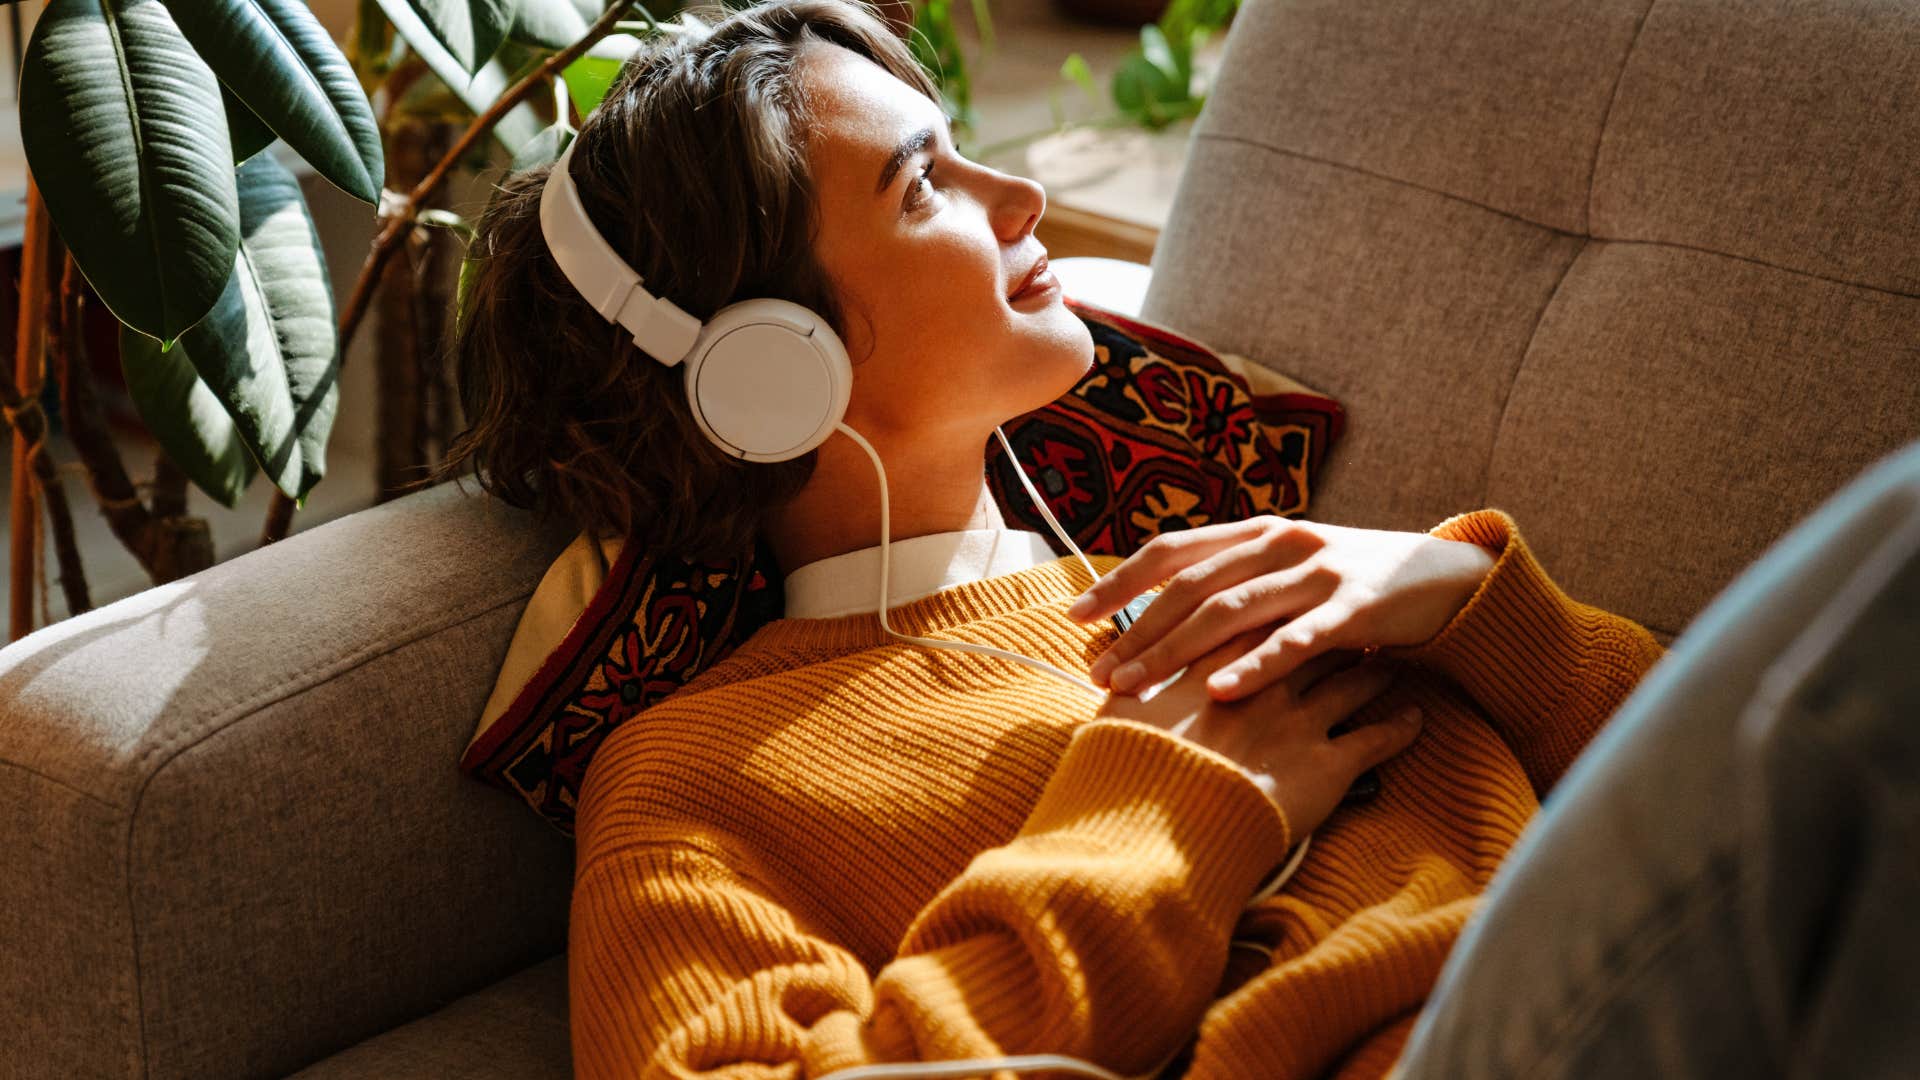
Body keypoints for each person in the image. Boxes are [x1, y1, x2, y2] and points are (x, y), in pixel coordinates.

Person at [436, 2, 1666, 1076]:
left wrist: (1460, 594)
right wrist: (1169, 817)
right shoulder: (691, 783)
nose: (1020, 196)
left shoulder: (1224, 573)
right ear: (769, 370)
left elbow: (1712, 760)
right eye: (925, 186)